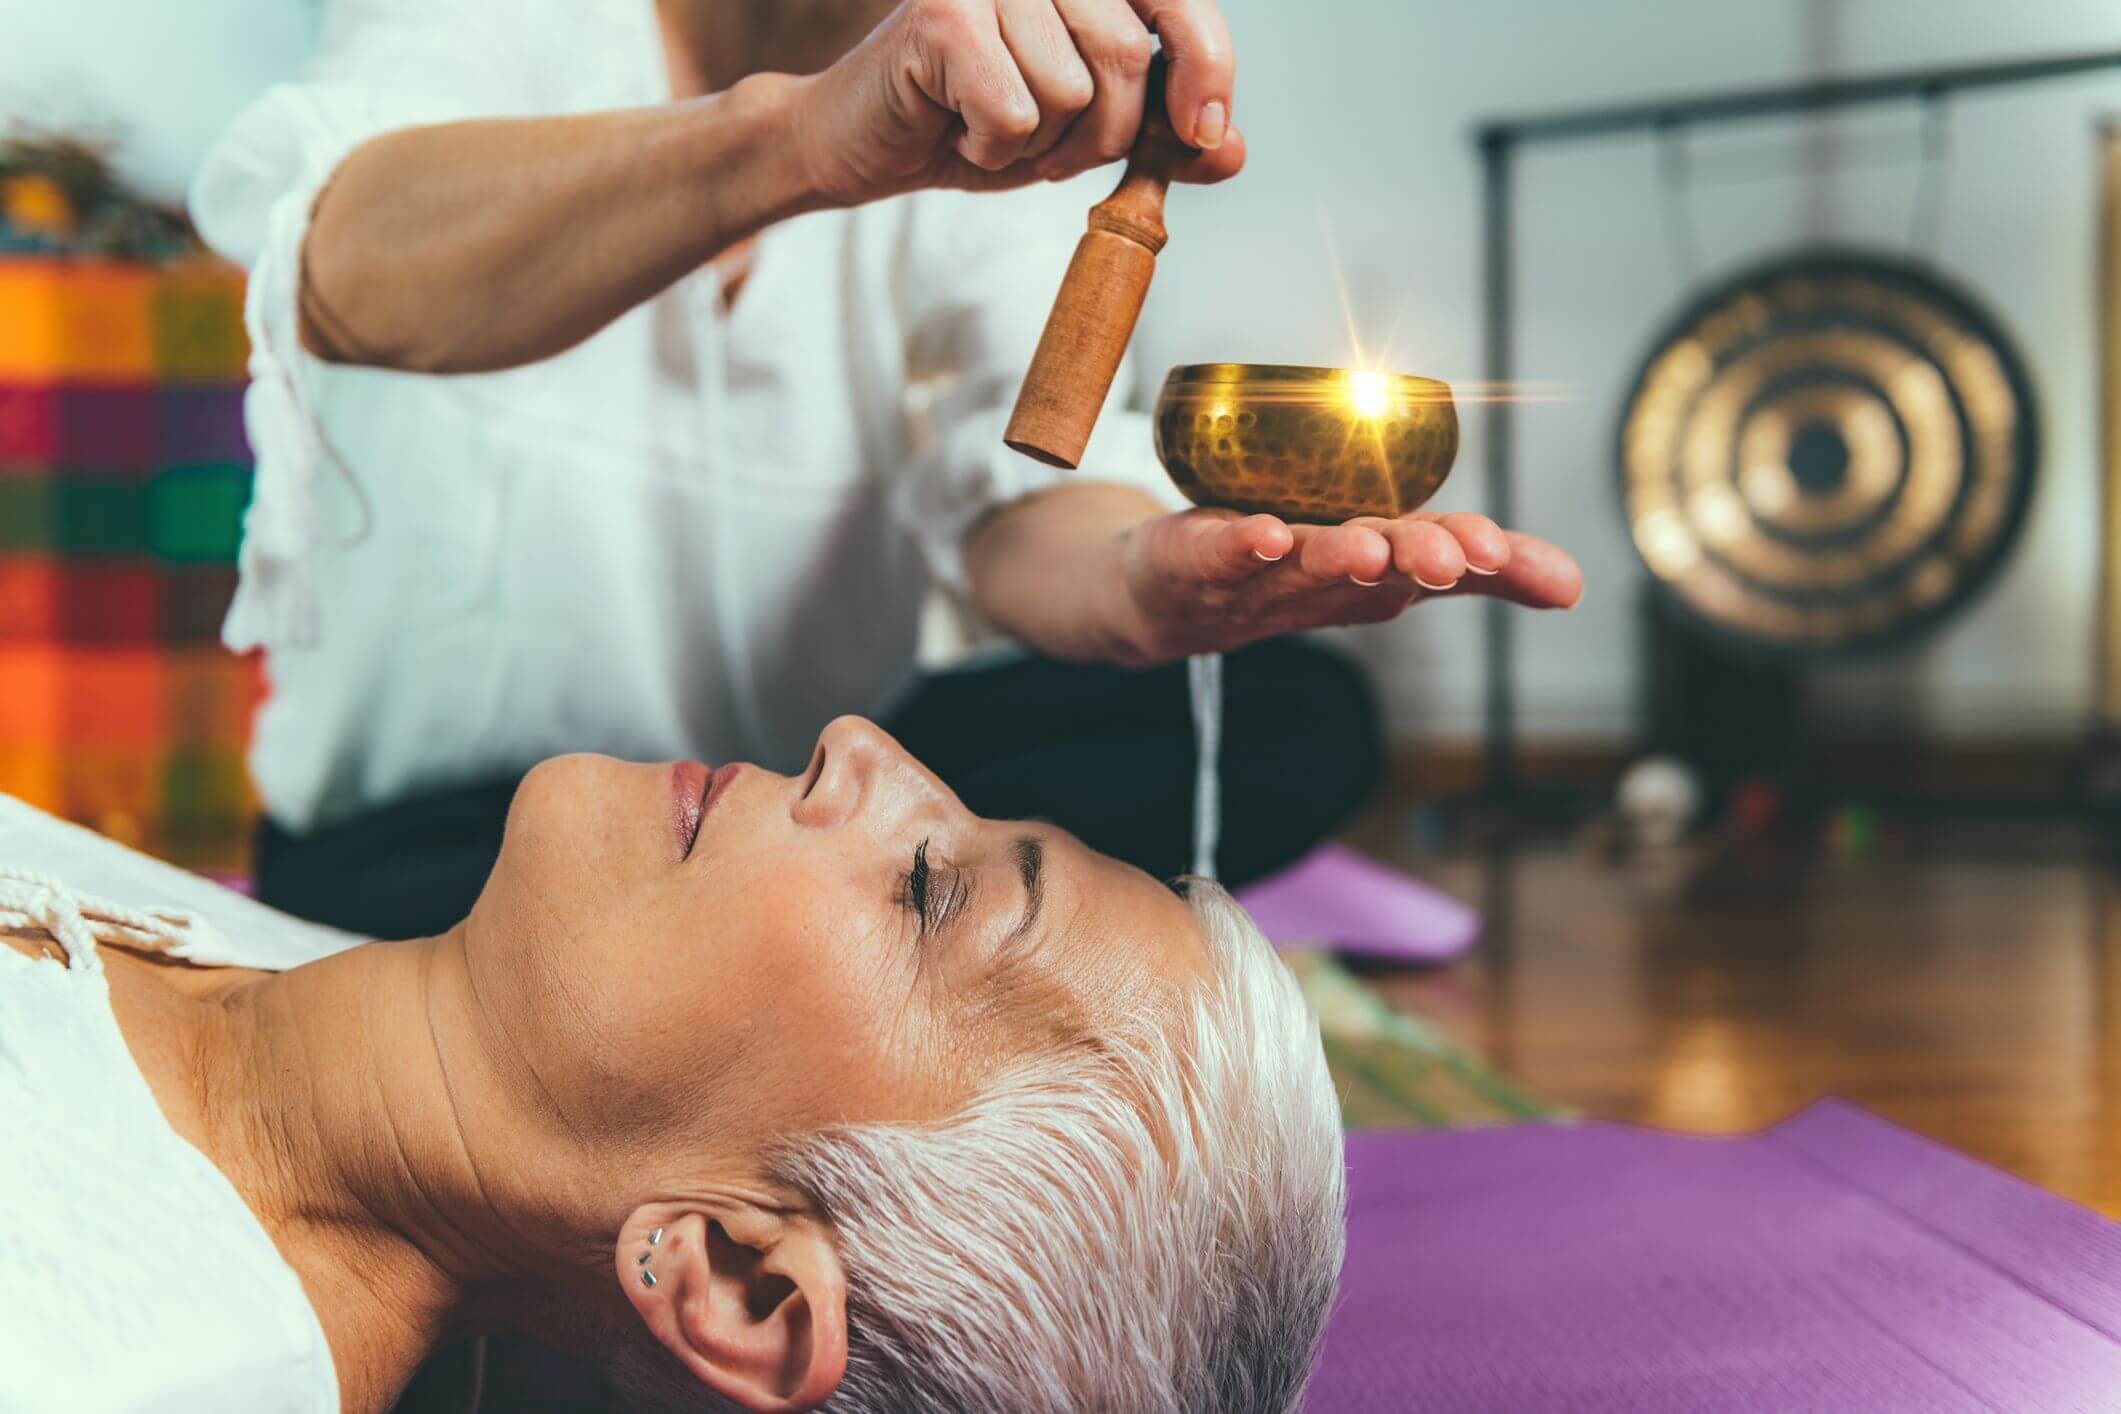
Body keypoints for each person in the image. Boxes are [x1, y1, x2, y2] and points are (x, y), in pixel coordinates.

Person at [189, 0, 1583, 939]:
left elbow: (1018, 491)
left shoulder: (978, 93)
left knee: (1293, 714)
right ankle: (828, 1007)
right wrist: (794, 139)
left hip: (808, 823)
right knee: (521, 939)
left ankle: (785, 999)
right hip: (452, 856)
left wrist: (1142, 584)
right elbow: (340, 260)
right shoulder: (508, 27)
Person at [0, 718, 1345, 1413]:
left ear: (737, 1278)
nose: (859, 747)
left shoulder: (94, 1347)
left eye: (929, 888)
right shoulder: (262, 984)